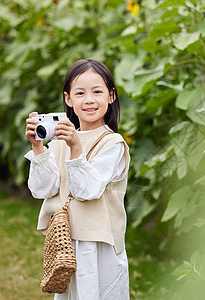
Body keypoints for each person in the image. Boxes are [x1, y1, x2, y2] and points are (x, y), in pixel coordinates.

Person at [24, 58, 130, 299]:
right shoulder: (61, 139)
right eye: (80, 93)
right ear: (68, 99)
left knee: (100, 292)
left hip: (99, 242)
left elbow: (88, 190)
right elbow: (43, 188)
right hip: (66, 241)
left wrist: (75, 147)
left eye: (97, 91)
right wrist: (38, 147)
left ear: (111, 96)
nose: (89, 100)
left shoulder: (112, 144)